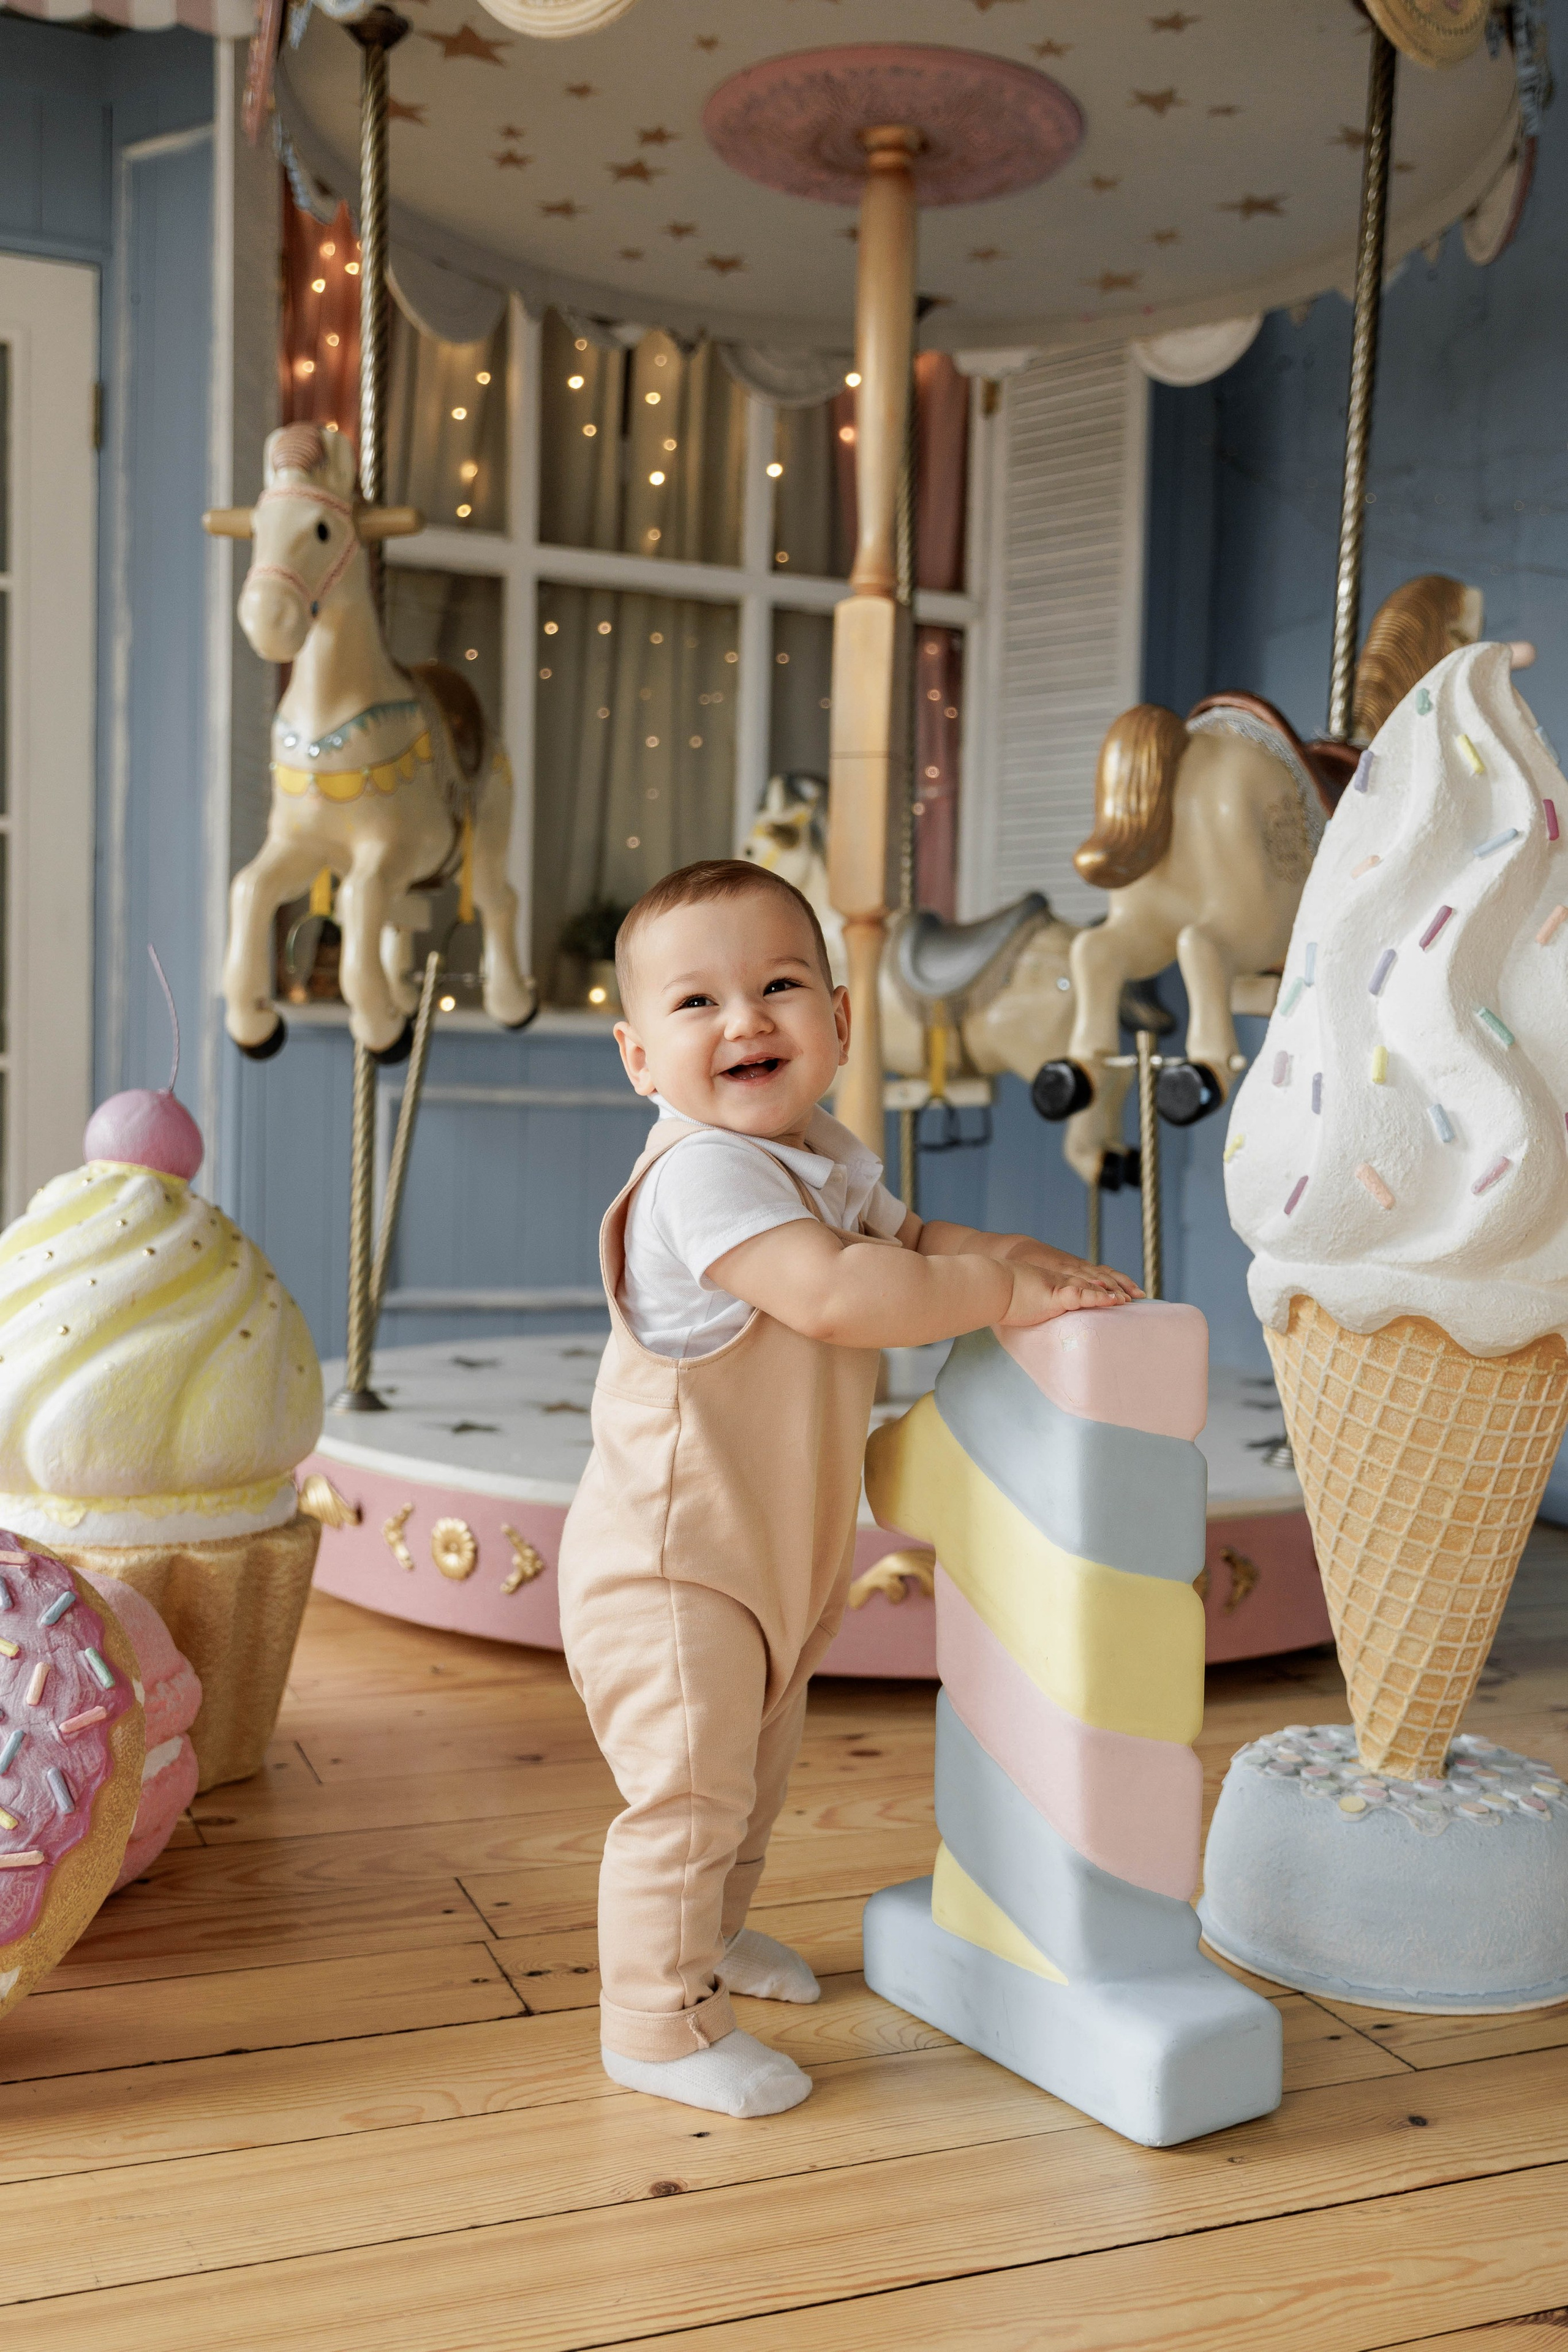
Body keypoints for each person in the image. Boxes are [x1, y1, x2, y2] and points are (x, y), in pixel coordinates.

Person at [557, 859, 1140, 2118]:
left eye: (775, 988)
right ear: (639, 1058)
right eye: (696, 1004)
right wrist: (995, 1298)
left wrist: (1011, 1257)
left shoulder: (818, 1157)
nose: (743, 1022)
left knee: (752, 1778)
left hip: (769, 1552)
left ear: (835, 1019)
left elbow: (912, 1245)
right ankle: (652, 2024)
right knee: (691, 1790)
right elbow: (838, 1293)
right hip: (671, 1565)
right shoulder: (700, 1175)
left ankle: (705, 1947)